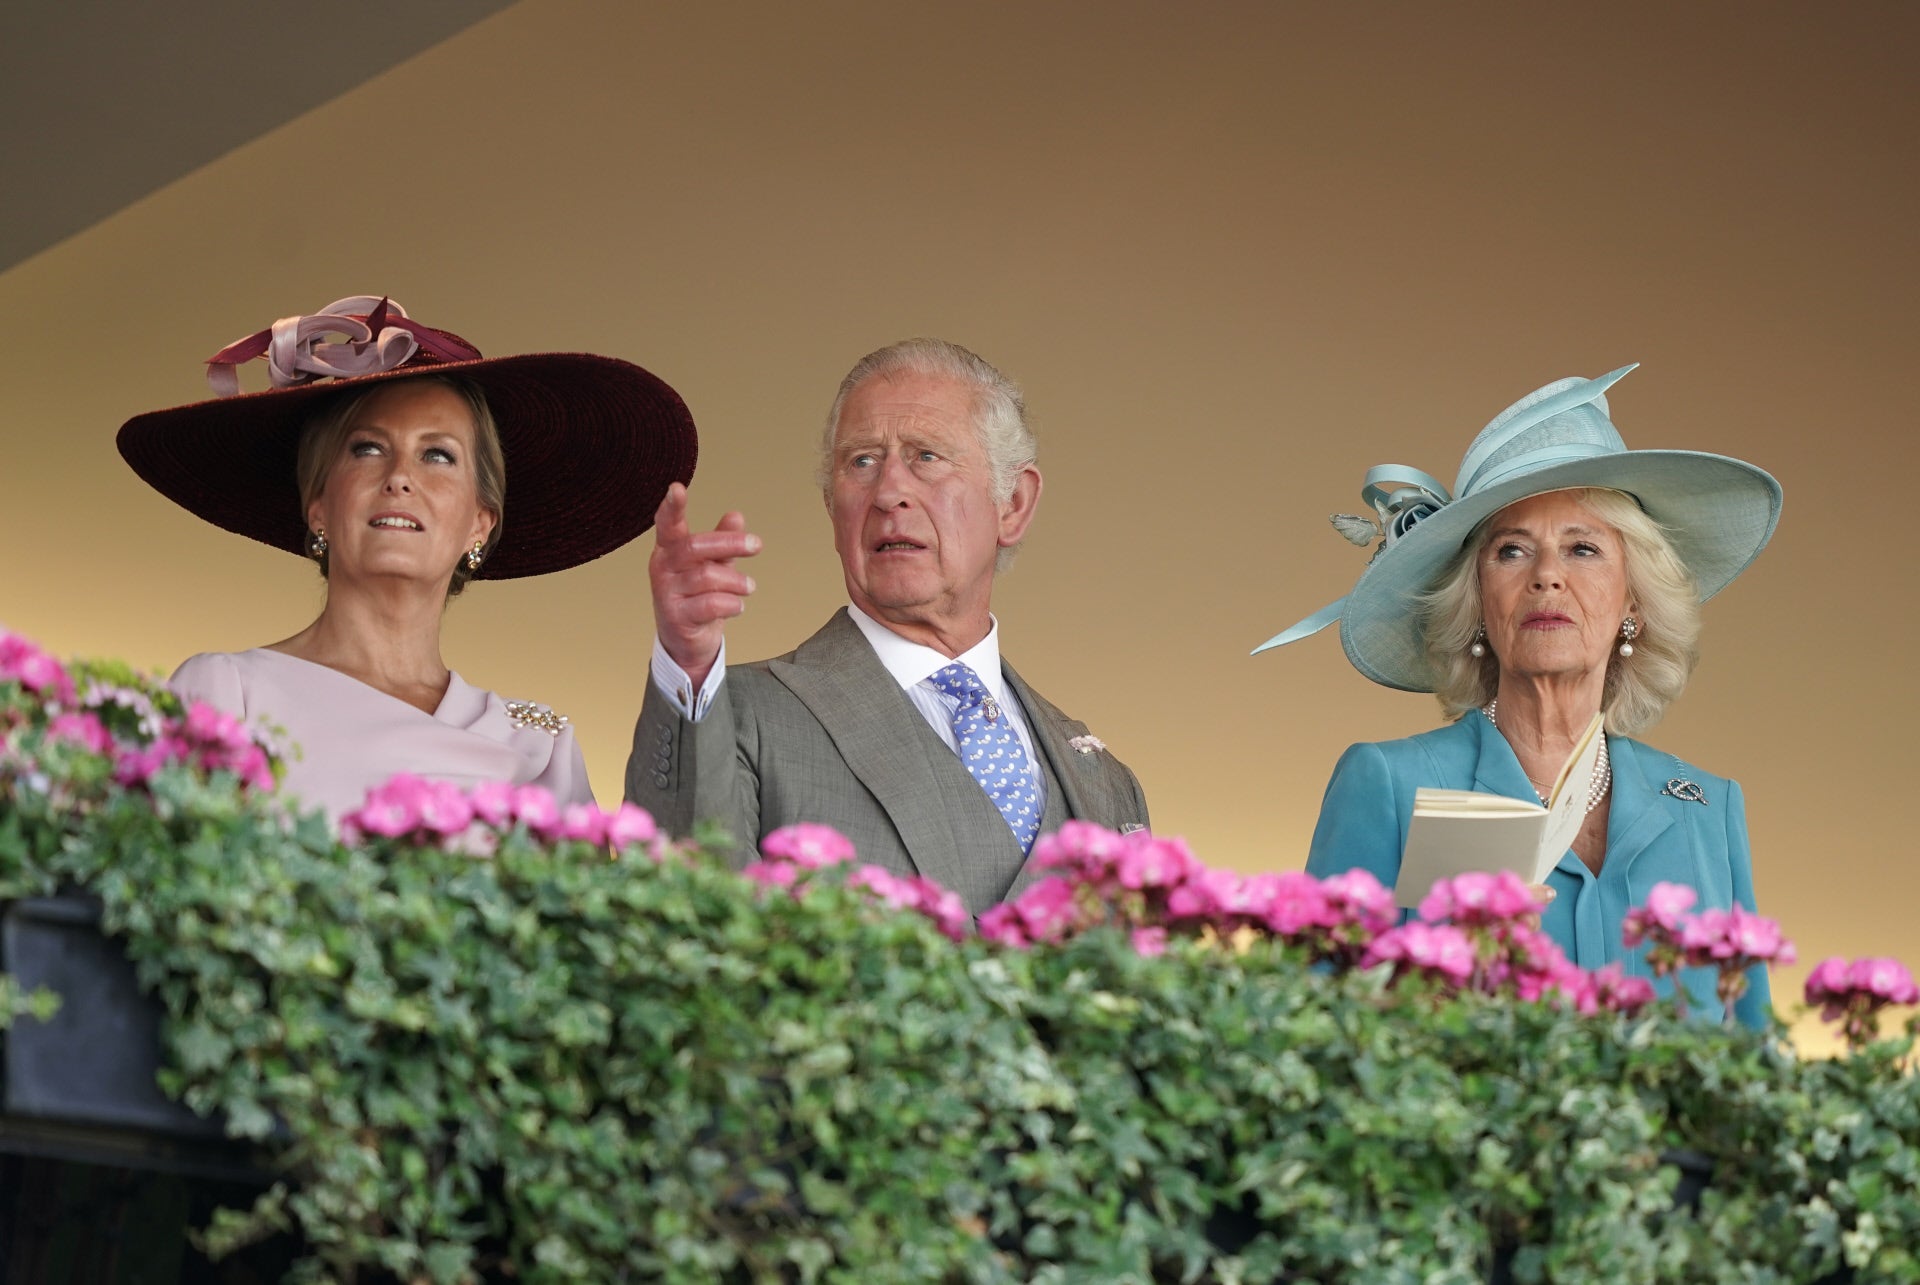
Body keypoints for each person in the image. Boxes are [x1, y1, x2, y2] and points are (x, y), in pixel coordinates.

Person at [1256, 365, 1782, 1025]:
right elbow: (1316, 1031)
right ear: (1477, 602)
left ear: (1633, 603)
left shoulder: (1708, 811)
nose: (1547, 578)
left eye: (1583, 548)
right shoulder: (1394, 785)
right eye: (1512, 551)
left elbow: (1754, 1062)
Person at [117, 295, 697, 818]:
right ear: (317, 505)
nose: (399, 478)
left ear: (479, 523)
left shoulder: (538, 744)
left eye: (438, 456)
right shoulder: (227, 694)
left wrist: (686, 657)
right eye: (368, 449)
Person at [625, 338, 1148, 913]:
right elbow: (679, 914)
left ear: (1014, 504)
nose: (890, 492)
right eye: (862, 462)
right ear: (832, 507)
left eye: (926, 456)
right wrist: (688, 663)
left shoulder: (1103, 779)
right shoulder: (738, 713)